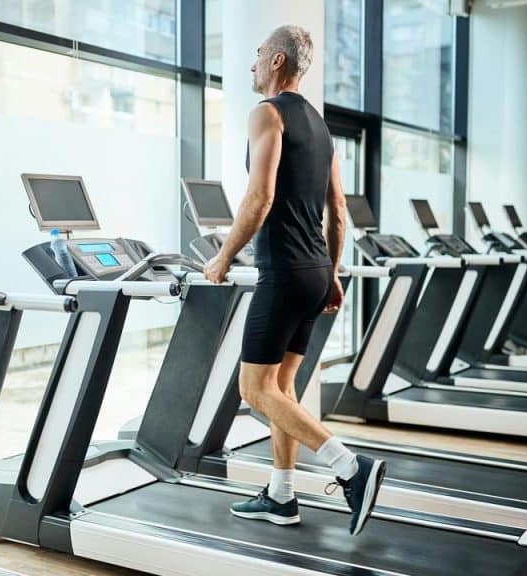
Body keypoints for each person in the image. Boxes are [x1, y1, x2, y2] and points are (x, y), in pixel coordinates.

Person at [203, 25, 385, 536]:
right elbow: (340, 210)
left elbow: (258, 199)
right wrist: (331, 273)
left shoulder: (268, 114)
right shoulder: (321, 128)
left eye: (258, 54)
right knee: (282, 386)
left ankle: (351, 467)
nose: (252, 64)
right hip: (313, 273)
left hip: (282, 272)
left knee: (253, 388)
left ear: (278, 61)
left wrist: (221, 257)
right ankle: (282, 496)